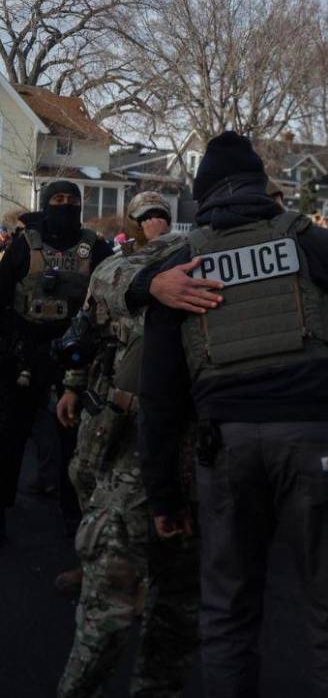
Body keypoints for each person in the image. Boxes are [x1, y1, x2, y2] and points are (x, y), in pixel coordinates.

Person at [133, 132, 328, 697]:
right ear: (262, 186)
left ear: (204, 195)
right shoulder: (312, 243)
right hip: (317, 443)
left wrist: (163, 495)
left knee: (227, 615)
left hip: (224, 448)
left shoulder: (181, 265)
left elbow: (159, 394)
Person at [56, 191, 200, 698]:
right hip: (123, 420)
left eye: (161, 215)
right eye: (147, 217)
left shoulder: (195, 259)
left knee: (164, 598)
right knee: (91, 494)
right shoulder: (124, 269)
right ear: (136, 224)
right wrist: (75, 385)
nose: (155, 223)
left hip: (171, 442)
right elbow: (89, 330)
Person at [0, 181, 113, 545]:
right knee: (9, 437)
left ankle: (74, 519)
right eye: (58, 200)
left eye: (72, 201)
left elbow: (112, 297)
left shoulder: (95, 248)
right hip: (23, 357)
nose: (65, 206)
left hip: (75, 363)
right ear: (46, 204)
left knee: (74, 444)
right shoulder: (23, 245)